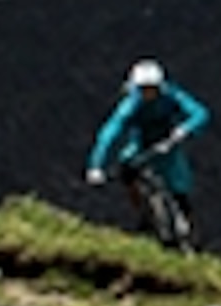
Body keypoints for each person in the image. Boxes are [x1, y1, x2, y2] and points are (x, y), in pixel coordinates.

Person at [85, 59, 211, 246]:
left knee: (179, 187)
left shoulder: (172, 95)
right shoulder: (130, 105)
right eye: (143, 89)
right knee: (127, 169)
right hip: (141, 146)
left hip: (168, 145)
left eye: (152, 89)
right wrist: (96, 165)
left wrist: (184, 130)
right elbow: (110, 132)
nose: (148, 93)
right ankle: (145, 214)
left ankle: (188, 230)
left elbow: (200, 113)